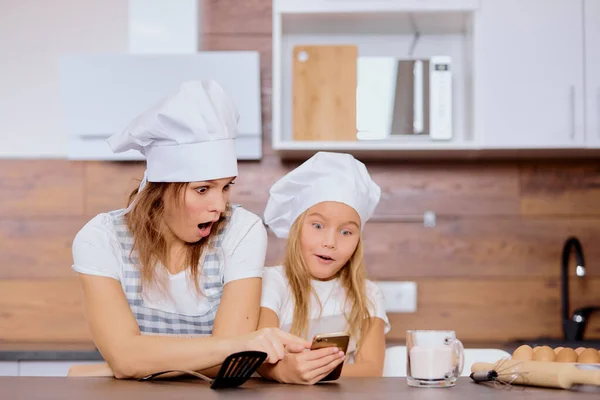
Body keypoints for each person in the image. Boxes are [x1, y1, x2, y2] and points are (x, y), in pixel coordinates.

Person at [70, 80, 309, 379]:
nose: (219, 206)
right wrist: (124, 362)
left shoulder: (242, 231)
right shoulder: (100, 240)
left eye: (226, 187)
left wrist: (135, 362)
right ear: (161, 190)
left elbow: (233, 363)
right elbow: (124, 359)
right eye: (202, 189)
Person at [257, 151, 391, 384]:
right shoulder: (272, 283)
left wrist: (304, 368)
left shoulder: (368, 294)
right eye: (318, 225)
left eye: (346, 232)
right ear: (296, 228)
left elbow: (371, 369)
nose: (330, 242)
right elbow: (261, 357)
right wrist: (285, 370)